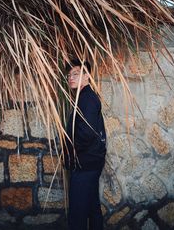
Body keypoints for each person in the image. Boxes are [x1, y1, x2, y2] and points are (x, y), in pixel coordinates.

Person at [64, 59, 106, 230]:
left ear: (87, 75)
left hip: (85, 163)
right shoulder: (84, 96)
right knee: (91, 208)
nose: (71, 78)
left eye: (76, 73)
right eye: (69, 75)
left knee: (78, 214)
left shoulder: (87, 98)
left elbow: (87, 133)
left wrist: (71, 151)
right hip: (90, 162)